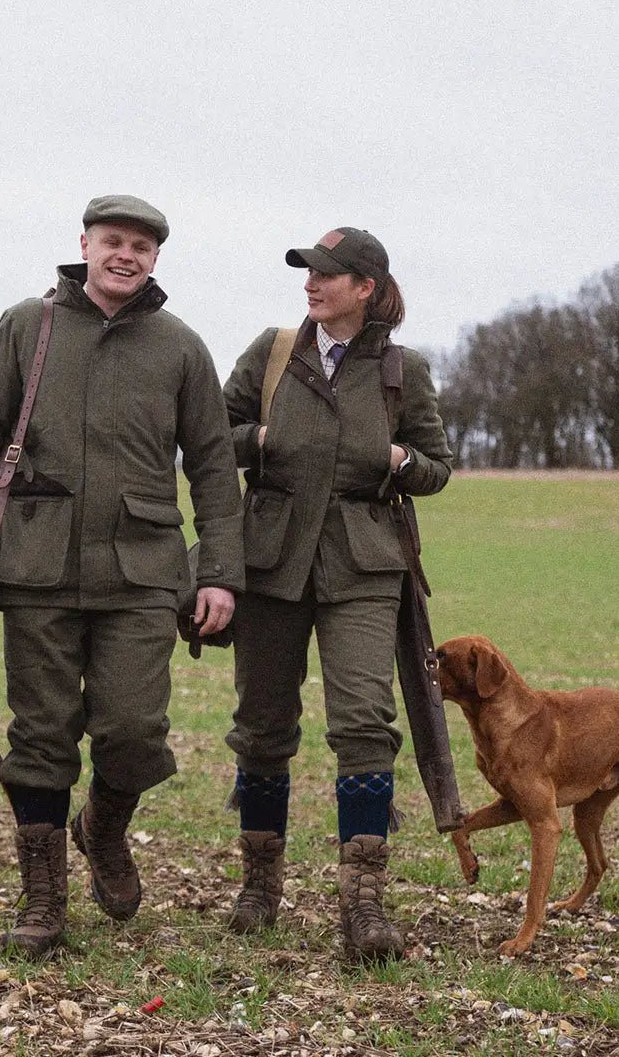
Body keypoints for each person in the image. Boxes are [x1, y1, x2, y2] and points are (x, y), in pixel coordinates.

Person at [0, 195, 244, 957]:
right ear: (85, 245)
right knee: (41, 735)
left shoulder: (182, 348)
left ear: (156, 258)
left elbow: (214, 469)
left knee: (134, 730)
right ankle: (43, 901)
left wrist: (220, 572)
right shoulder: (25, 328)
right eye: (112, 241)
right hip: (36, 564)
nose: (125, 255)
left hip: (142, 573)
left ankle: (102, 825)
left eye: (140, 245)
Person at [221, 226, 453, 961]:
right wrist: (256, 442)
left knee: (364, 722)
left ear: (366, 288)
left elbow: (437, 467)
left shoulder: (402, 370)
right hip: (272, 558)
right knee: (261, 724)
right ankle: (261, 884)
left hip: (363, 563)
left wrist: (398, 458)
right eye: (308, 273)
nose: (312, 284)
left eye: (328, 274)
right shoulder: (273, 351)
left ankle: (364, 903)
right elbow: (209, 435)